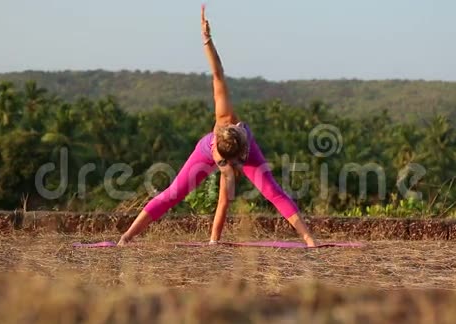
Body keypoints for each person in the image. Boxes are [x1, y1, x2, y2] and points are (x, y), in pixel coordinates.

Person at [117, 7, 316, 247]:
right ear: (220, 155)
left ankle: (307, 237)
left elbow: (218, 73)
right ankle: (127, 236)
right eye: (225, 162)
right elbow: (216, 72)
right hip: (210, 150)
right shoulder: (216, 143)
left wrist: (207, 38)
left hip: (239, 150)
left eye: (233, 162)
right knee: (174, 193)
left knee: (271, 191)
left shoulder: (238, 135)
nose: (231, 166)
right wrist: (206, 39)